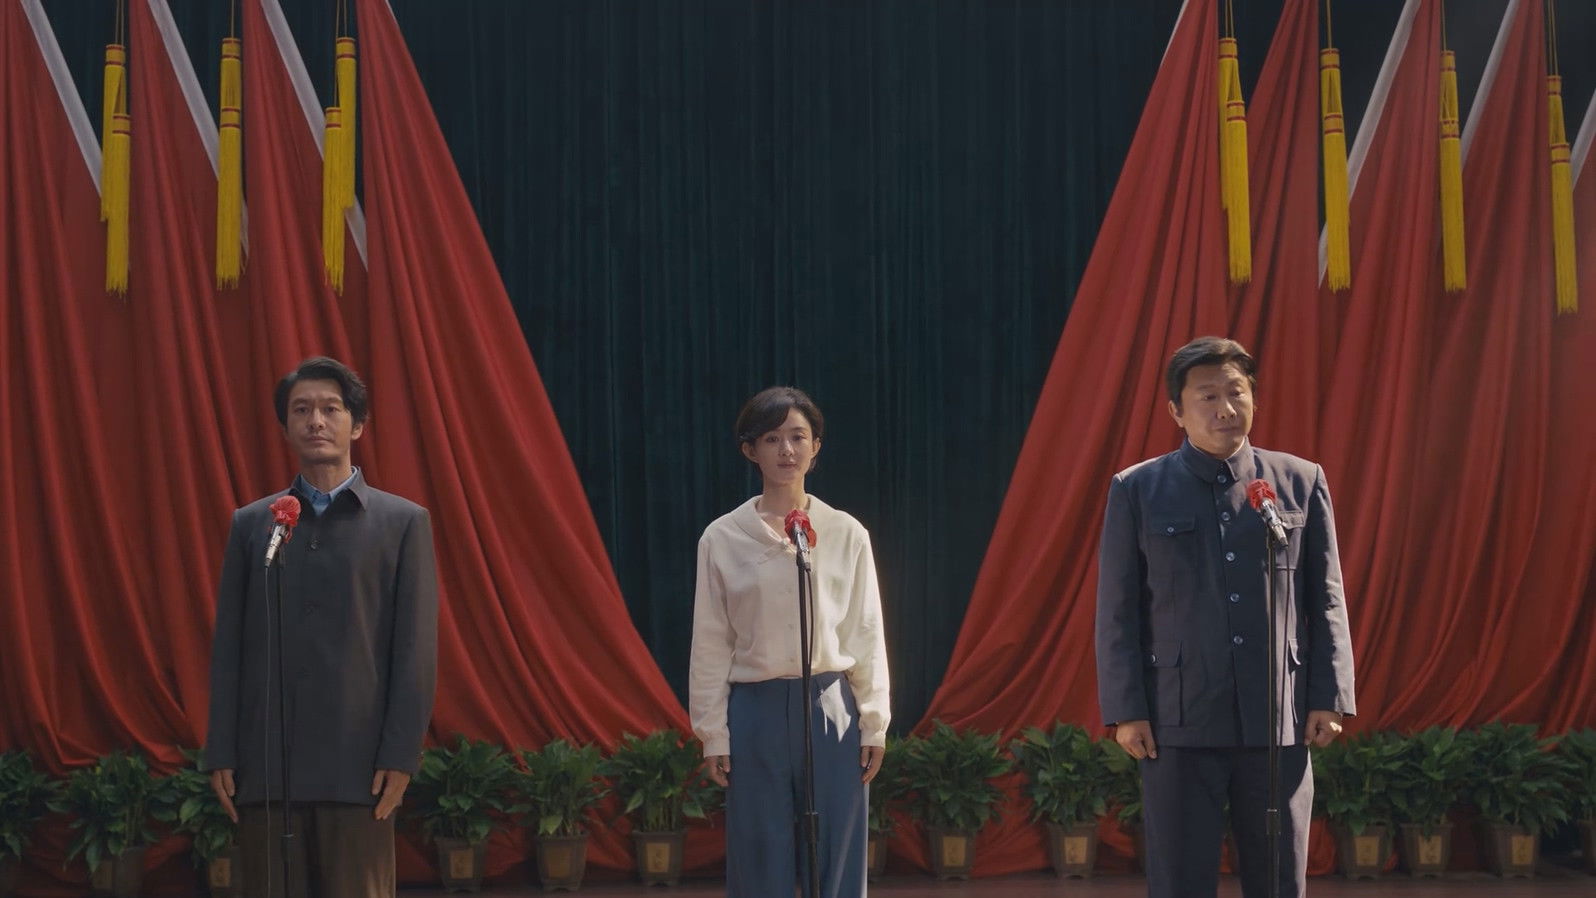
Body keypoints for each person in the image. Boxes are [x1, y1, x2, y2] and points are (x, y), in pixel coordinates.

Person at [1095, 337, 1356, 898]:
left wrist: (1329, 696)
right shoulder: (1137, 489)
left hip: (1277, 717)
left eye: (1236, 393)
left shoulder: (1299, 481)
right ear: (1176, 410)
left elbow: (1325, 598)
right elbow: (1117, 610)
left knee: (1279, 876)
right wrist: (1126, 710)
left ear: (1254, 400)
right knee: (1181, 879)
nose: (1225, 409)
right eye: (1208, 396)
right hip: (1178, 718)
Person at [203, 356, 439, 897]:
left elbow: (415, 652)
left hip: (358, 767)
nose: (316, 421)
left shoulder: (402, 523)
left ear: (357, 425)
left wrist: (400, 756)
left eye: (331, 409)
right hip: (267, 767)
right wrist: (222, 750)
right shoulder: (253, 523)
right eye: (301, 410)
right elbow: (229, 647)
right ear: (284, 428)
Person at [689, 386, 890, 897]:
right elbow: (711, 640)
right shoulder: (722, 537)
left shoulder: (844, 532)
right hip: (755, 708)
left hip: (829, 704)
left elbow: (865, 631)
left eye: (798, 437)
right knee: (760, 851)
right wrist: (713, 731)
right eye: (772, 438)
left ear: (816, 446)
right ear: (749, 450)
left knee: (837, 849)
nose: (786, 450)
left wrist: (874, 721)